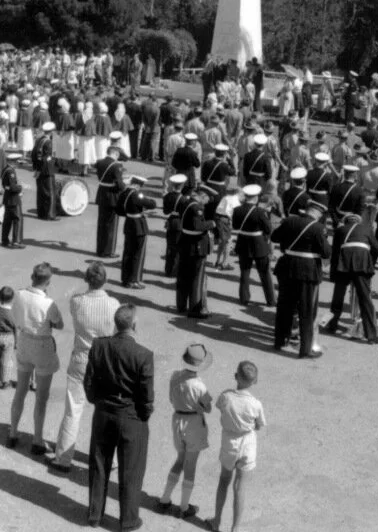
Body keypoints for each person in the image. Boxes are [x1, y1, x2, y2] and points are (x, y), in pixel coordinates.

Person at [84, 304, 154, 531]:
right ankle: (128, 520)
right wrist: (142, 415)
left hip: (104, 412)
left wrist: (97, 401)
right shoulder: (143, 355)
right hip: (131, 416)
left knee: (99, 464)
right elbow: (146, 395)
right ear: (133, 325)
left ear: (116, 324)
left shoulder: (99, 345)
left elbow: (89, 381)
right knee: (131, 470)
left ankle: (95, 514)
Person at [48, 263, 120, 474]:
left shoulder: (77, 301)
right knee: (106, 412)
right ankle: (110, 459)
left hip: (81, 359)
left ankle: (63, 458)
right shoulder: (114, 304)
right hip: (105, 362)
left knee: (73, 410)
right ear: (104, 280)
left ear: (87, 280)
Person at [7, 262, 64, 455]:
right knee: (41, 397)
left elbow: (14, 316)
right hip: (42, 344)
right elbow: (60, 324)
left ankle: (13, 432)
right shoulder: (49, 303)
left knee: (20, 391)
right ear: (48, 281)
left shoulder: (19, 294)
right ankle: (37, 439)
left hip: (24, 340)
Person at [157, 343, 214, 520]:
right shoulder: (199, 386)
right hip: (193, 424)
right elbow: (208, 408)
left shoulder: (175, 377)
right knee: (190, 465)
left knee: (179, 460)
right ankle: (184, 506)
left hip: (177, 420)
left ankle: (165, 499)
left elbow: (170, 398)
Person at [208, 360, 266, 532]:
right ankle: (236, 528)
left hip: (229, 443)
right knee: (240, 487)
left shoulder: (226, 396)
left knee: (224, 480)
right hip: (247, 444)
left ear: (236, 377)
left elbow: (219, 407)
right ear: (254, 381)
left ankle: (216, 520)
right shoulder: (256, 404)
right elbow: (259, 425)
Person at [271, 198, 330, 358]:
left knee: (284, 307)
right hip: (307, 270)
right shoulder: (318, 228)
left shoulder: (290, 221)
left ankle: (280, 341)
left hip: (287, 266)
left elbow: (274, 237)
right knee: (306, 310)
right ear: (317, 213)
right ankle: (305, 349)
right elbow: (326, 253)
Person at [325, 210, 378, 343]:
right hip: (361, 262)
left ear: (346, 221)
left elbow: (334, 254)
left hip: (343, 263)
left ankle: (332, 324)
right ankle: (371, 335)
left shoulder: (340, 231)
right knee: (365, 299)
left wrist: (333, 274)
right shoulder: (366, 229)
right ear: (358, 221)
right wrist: (369, 261)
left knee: (338, 296)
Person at [232, 184, 275, 307]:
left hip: (243, 242)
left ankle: (244, 298)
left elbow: (235, 226)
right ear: (256, 198)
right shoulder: (260, 212)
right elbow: (268, 229)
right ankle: (271, 300)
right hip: (258, 244)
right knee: (265, 273)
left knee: (244, 272)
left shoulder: (237, 209)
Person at [177, 187, 214, 318]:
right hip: (196, 245)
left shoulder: (185, 202)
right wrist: (211, 223)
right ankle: (195, 309)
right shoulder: (197, 208)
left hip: (185, 242)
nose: (206, 203)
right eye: (206, 200)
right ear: (202, 196)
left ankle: (181, 305)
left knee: (183, 276)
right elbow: (198, 226)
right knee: (196, 279)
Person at [118, 174, 157, 288]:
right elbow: (152, 204)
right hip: (138, 225)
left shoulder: (124, 193)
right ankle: (135, 279)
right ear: (137, 185)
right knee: (138, 254)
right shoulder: (136, 195)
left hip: (128, 223)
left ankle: (125, 279)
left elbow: (119, 210)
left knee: (127, 252)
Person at [94, 144, 126, 257]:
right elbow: (119, 185)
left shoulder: (100, 162)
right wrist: (126, 185)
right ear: (115, 154)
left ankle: (100, 249)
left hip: (102, 194)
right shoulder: (116, 165)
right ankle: (108, 251)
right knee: (111, 225)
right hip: (112, 196)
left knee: (102, 224)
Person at [0, 150, 25, 248]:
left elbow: (6, 186)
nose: (18, 165)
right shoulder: (11, 172)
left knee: (7, 221)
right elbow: (13, 187)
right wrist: (20, 187)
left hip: (7, 198)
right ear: (13, 162)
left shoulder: (5, 169)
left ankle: (4, 240)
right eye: (17, 162)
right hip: (13, 199)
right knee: (17, 219)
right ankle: (16, 241)